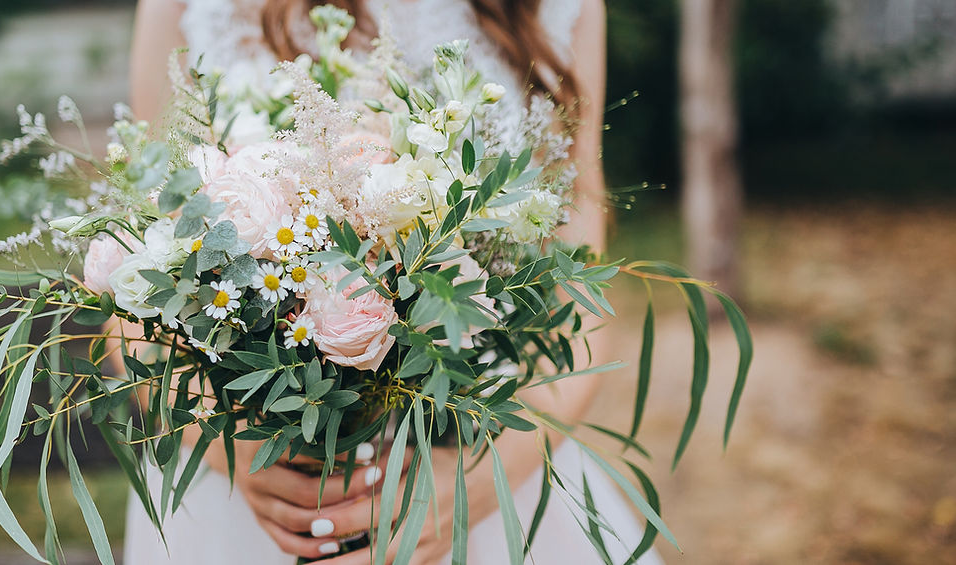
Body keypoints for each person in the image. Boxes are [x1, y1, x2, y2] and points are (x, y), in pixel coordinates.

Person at [122, 1, 661, 563]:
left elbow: (582, 294)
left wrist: (475, 485)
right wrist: (224, 445)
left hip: (483, 459)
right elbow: (140, 274)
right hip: (252, 483)